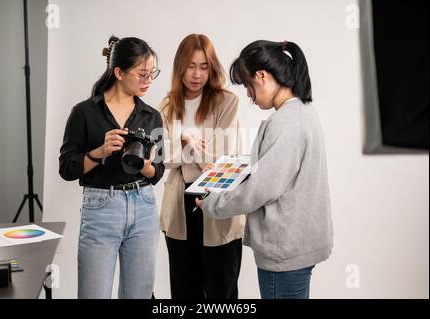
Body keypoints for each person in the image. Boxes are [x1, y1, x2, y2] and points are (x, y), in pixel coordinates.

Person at [196, 40, 333, 299]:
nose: (249, 95)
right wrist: (234, 167)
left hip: (284, 251)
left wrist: (213, 203)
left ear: (262, 76)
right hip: (299, 245)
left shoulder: (285, 122)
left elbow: (260, 189)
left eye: (248, 86)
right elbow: (276, 170)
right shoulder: (304, 112)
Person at [59, 36, 165, 299]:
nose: (148, 80)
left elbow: (158, 172)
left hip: (143, 206)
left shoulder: (152, 116)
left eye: (152, 73)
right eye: (142, 74)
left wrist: (144, 165)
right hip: (100, 208)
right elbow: (67, 169)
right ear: (118, 72)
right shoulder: (84, 112)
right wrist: (100, 151)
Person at [159, 34, 245, 299]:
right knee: (185, 292)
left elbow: (224, 155)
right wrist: (190, 143)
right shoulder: (166, 106)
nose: (197, 74)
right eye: (191, 66)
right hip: (178, 207)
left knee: (222, 293)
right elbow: (160, 156)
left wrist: (182, 147)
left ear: (212, 68)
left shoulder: (227, 101)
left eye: (204, 66)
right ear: (180, 67)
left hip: (217, 200)